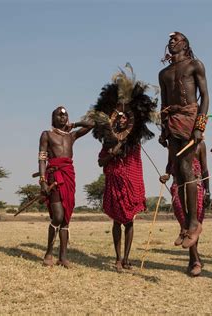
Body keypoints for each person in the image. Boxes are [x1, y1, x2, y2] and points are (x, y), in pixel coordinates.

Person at [91, 65, 157, 272]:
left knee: (130, 222)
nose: (121, 119)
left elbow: (138, 165)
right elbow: (101, 162)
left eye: (124, 117)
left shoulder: (135, 143)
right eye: (117, 116)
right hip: (113, 184)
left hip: (131, 184)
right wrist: (113, 152)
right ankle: (118, 258)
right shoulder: (108, 142)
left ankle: (127, 259)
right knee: (116, 223)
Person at [158, 31, 210, 249]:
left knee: (187, 168)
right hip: (172, 120)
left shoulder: (194, 65)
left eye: (176, 39)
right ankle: (185, 225)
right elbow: (163, 102)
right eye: (170, 40)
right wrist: (163, 129)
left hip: (190, 117)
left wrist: (200, 126)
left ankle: (194, 223)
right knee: (178, 173)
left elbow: (205, 96)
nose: (171, 42)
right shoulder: (163, 73)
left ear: (185, 44)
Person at [38, 106, 93, 268]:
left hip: (69, 176)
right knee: (58, 216)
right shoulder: (46, 135)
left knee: (66, 218)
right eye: (59, 115)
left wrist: (74, 124)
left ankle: (63, 257)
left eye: (65, 115)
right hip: (55, 176)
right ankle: (48, 253)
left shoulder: (72, 136)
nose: (63, 117)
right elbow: (42, 158)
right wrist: (42, 181)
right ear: (53, 118)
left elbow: (91, 124)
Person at [159, 140, 210, 276]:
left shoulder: (200, 144)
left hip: (197, 186)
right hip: (178, 186)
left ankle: (195, 262)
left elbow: (204, 168)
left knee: (193, 226)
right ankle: (195, 259)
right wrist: (167, 175)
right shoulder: (174, 144)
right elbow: (170, 164)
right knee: (184, 221)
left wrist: (208, 191)